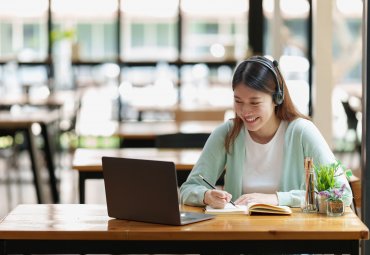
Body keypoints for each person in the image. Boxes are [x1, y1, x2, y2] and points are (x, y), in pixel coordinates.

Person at [180, 55, 352, 209]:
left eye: (254, 103)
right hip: (240, 235)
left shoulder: (301, 132)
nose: (245, 111)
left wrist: (277, 199)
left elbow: (342, 194)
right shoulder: (228, 132)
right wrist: (206, 196)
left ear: (277, 99)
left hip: (291, 238)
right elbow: (187, 189)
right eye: (238, 101)